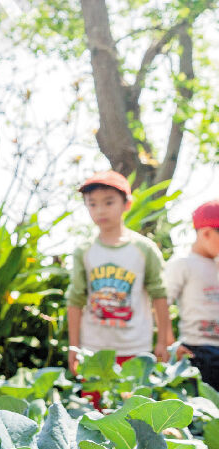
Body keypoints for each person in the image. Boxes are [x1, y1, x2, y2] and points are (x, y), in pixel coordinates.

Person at [66, 171, 173, 404]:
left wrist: (164, 341)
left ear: (127, 204)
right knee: (94, 418)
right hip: (94, 350)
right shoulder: (84, 251)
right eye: (92, 204)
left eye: (108, 202)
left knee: (135, 416)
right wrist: (74, 346)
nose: (100, 210)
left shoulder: (144, 249)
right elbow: (75, 300)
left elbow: (160, 295)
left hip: (135, 349)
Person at [164, 200, 219, 390]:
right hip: (197, 351)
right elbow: (161, 304)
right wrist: (170, 345)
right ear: (206, 233)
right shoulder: (183, 264)